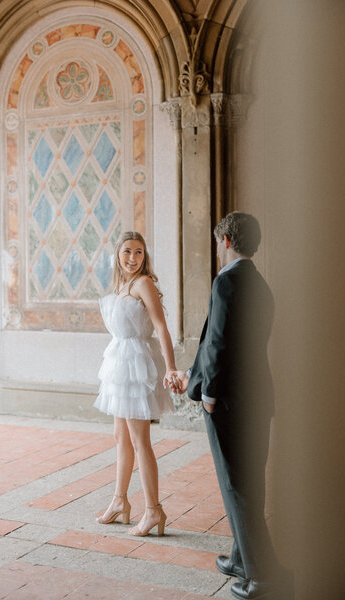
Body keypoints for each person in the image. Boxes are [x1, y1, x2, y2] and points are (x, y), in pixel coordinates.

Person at [170, 212, 279, 600]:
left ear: (226, 241)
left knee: (237, 486)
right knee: (248, 481)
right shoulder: (260, 284)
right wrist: (191, 373)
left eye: (219, 242)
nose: (218, 249)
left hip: (230, 400)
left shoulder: (226, 281)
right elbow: (229, 343)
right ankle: (239, 557)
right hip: (256, 396)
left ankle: (262, 576)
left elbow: (217, 344)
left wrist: (209, 394)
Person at [94, 231, 176, 537]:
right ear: (117, 254)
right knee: (121, 437)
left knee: (140, 440)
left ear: (145, 256)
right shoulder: (121, 285)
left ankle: (154, 509)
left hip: (136, 365)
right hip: (119, 363)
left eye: (139, 252)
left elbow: (160, 326)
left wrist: (170, 367)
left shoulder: (143, 283)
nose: (133, 258)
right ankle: (119, 501)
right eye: (127, 251)